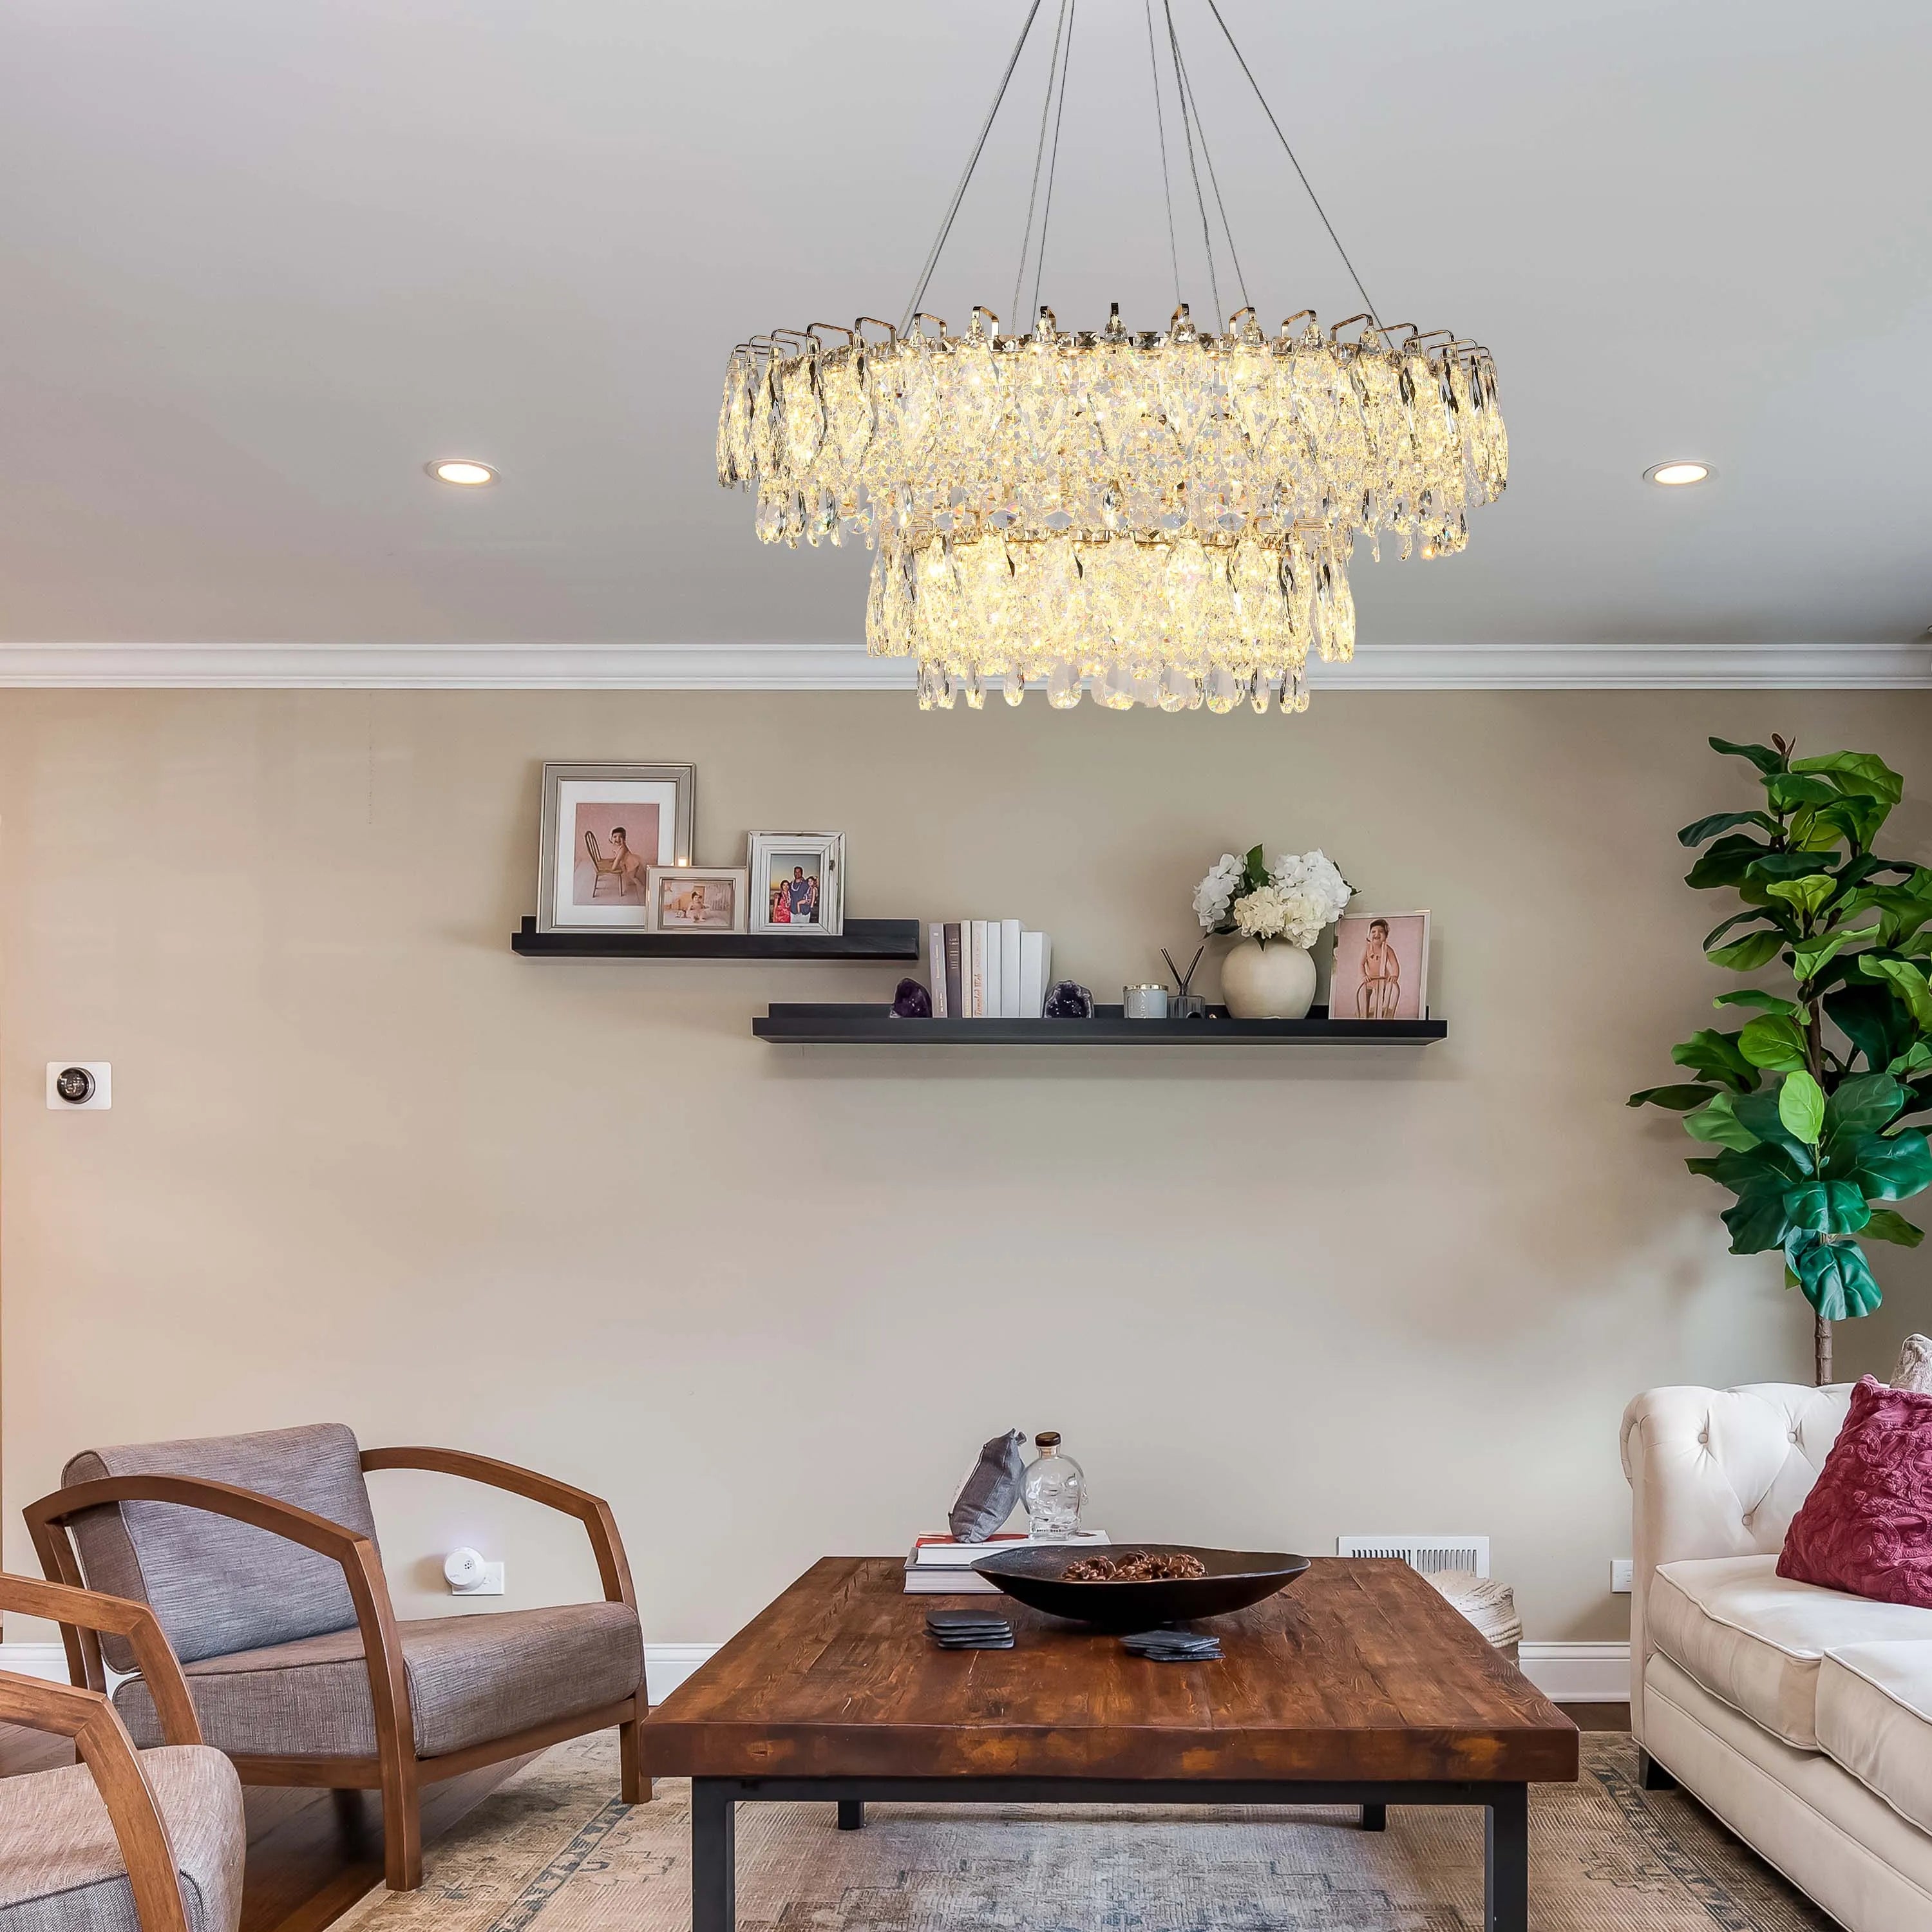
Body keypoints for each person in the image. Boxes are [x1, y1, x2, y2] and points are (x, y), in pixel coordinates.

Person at [1354, 918, 1401, 1019]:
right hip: (1369, 979)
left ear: (1386, 935)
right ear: (1369, 935)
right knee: (1366, 997)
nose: (1377, 934)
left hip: (1382, 979)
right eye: (1373, 932)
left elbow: (1394, 964)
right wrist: (1364, 975)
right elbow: (1361, 964)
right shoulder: (1366, 949)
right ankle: (1365, 1015)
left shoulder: (1388, 949)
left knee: (1380, 998)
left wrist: (1395, 975)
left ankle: (1378, 1015)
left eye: (1381, 932)